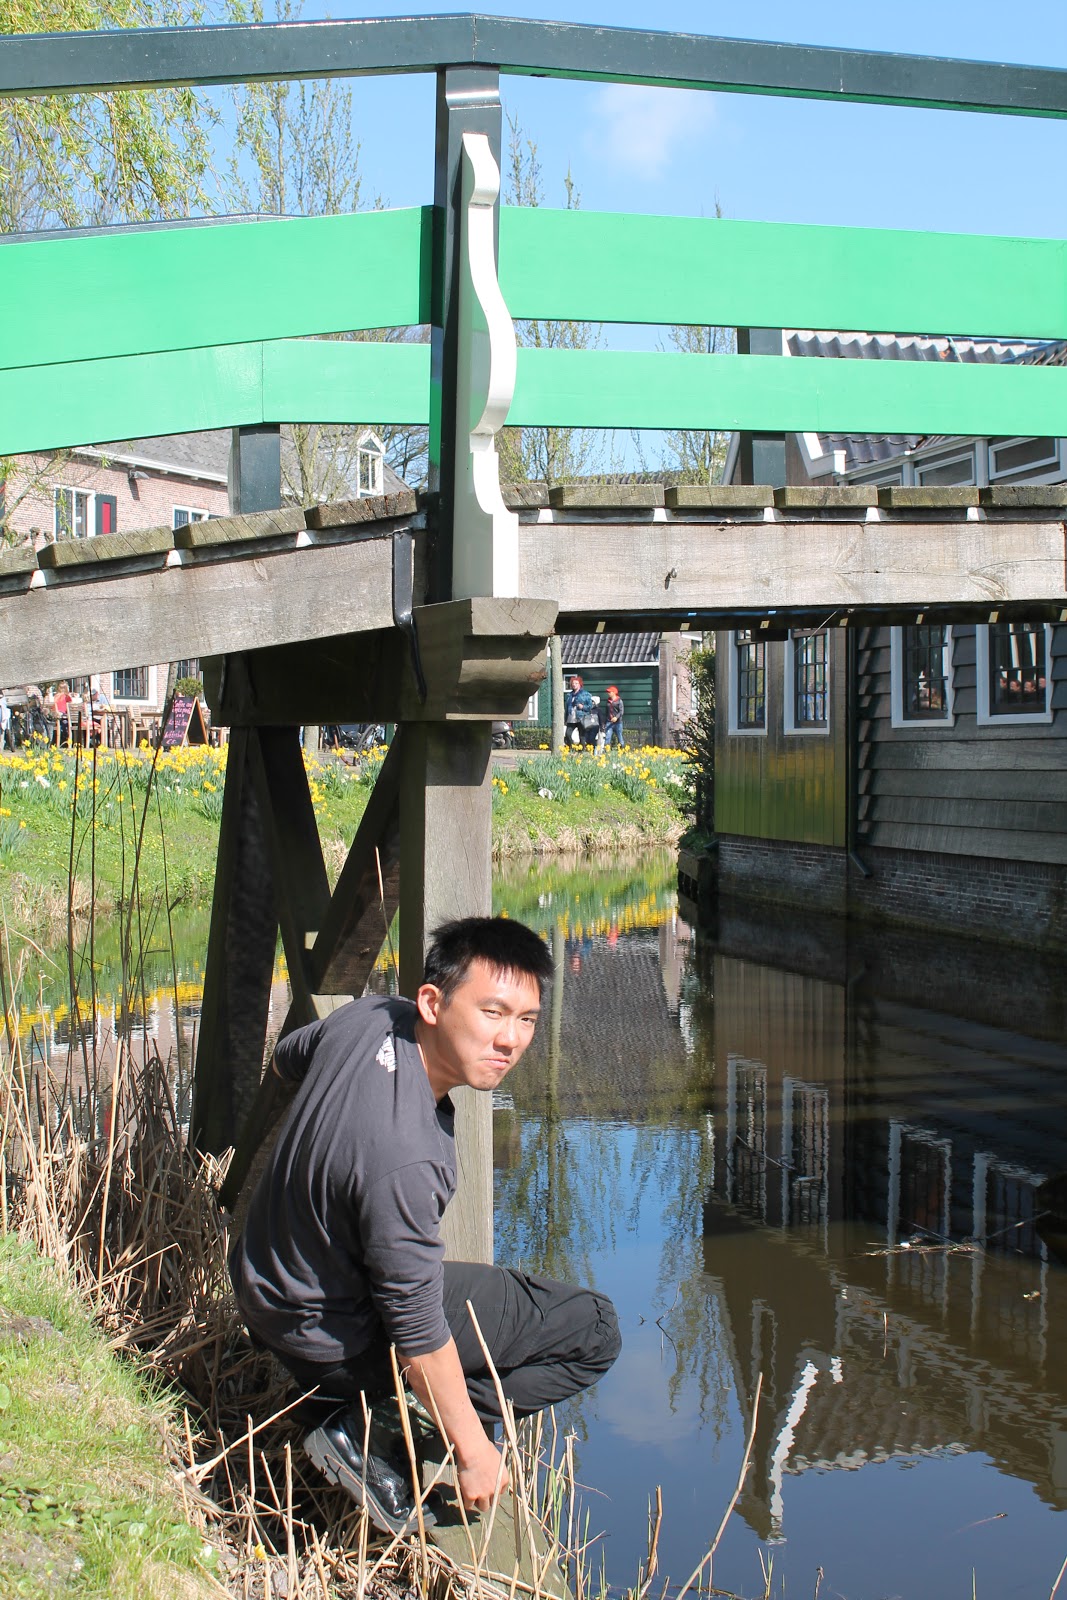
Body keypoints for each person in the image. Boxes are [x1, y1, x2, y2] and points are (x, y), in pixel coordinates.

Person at [230, 916, 621, 1535]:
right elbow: (415, 1327)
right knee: (593, 1329)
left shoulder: (368, 1018)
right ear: (433, 1003)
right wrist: (474, 1451)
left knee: (464, 1293)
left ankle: (376, 1411)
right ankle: (375, 1429)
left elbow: (286, 1059)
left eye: (527, 1019)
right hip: (330, 1340)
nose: (511, 1040)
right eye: (492, 1012)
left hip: (266, 1290)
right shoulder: (407, 1156)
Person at [563, 674, 597, 749]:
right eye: (573, 683)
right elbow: (567, 707)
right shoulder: (569, 695)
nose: (574, 685)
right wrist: (565, 719)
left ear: (580, 684)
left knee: (582, 736)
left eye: (576, 683)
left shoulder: (586, 694)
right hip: (571, 718)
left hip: (581, 718)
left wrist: (583, 707)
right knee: (568, 734)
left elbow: (590, 706)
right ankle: (571, 748)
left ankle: (582, 750)